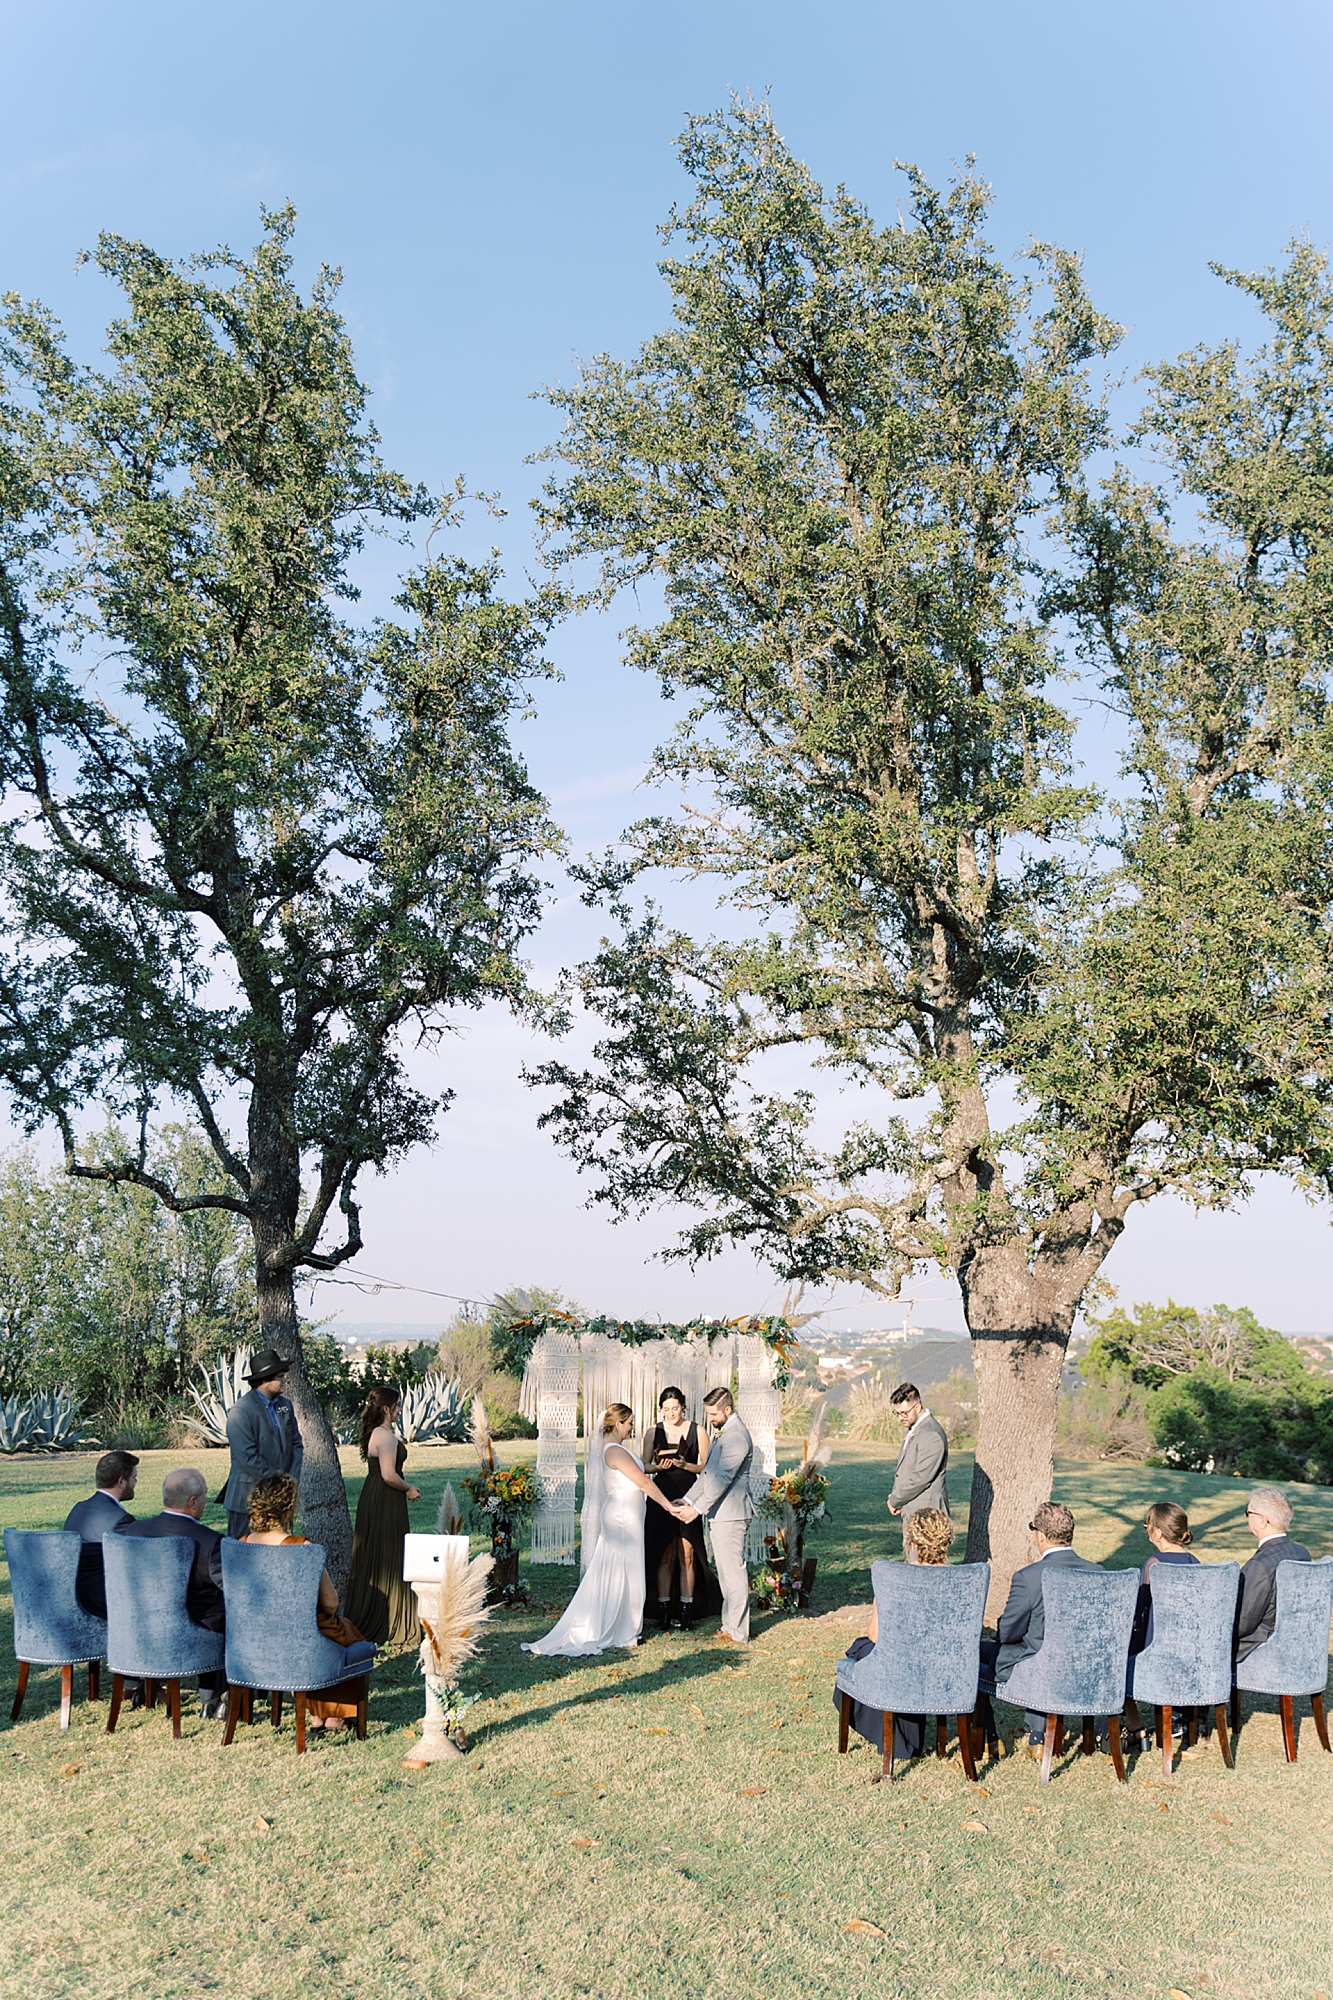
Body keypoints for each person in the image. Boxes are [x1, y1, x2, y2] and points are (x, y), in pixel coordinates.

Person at [522, 1404, 684, 1657]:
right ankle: (622, 1631)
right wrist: (668, 1506)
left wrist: (658, 1468)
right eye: (630, 1423)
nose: (632, 1428)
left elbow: (641, 1471)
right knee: (626, 1569)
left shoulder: (617, 1450)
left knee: (624, 1569)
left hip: (627, 1516)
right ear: (618, 1424)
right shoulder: (614, 1451)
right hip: (622, 1517)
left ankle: (624, 1627)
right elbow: (641, 1482)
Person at [242, 1472, 373, 1731]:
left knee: (328, 1632)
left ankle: (317, 1715)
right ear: (288, 1510)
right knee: (343, 1633)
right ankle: (333, 1716)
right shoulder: (302, 1548)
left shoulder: (241, 1545)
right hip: (301, 1636)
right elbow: (330, 1602)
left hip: (258, 1637)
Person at [977, 1500, 1102, 1758]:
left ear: (1041, 1535)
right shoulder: (1098, 1572)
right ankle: (1036, 1735)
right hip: (1085, 1665)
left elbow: (1010, 1631)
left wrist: (1004, 1634)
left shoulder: (1029, 1577)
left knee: (973, 1654)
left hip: (1038, 1664)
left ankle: (989, 1738)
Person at [833, 1506, 954, 1762]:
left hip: (902, 1665)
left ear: (911, 1541)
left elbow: (875, 1633)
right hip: (948, 1668)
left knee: (863, 1649)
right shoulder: (966, 1578)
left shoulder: (892, 1576)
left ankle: (899, 1741)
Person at [116, 1467, 228, 1718]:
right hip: (188, 1630)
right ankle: (212, 1700)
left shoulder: (133, 1531)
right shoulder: (209, 1541)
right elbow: (231, 1589)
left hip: (138, 1626)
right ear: (193, 1502)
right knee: (225, 1612)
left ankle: (145, 1686)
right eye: (205, 1496)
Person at [675, 1387, 755, 1644]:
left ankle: (738, 1631)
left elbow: (723, 1478)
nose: (710, 1418)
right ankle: (729, 1624)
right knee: (725, 1572)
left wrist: (696, 1510)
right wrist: (687, 1499)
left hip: (732, 1515)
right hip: (719, 1515)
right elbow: (707, 1473)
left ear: (727, 1410)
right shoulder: (724, 1433)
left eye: (713, 1414)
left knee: (734, 1572)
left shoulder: (737, 1437)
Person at [345, 1386, 421, 1646]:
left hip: (374, 1496)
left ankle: (378, 1613)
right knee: (389, 1553)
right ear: (387, 1409)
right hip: (385, 1498)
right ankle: (392, 1622)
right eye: (397, 1405)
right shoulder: (385, 1436)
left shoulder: (375, 1433)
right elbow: (389, 1475)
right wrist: (409, 1488)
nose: (400, 1410)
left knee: (376, 1553)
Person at [643, 1385, 721, 1631]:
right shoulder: (652, 1431)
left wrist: (685, 1465)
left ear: (683, 1407)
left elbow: (707, 1468)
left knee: (687, 1554)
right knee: (663, 1555)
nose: (670, 1413)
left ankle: (687, 1612)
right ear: (661, 1409)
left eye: (675, 1408)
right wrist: (660, 1467)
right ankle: (664, 1612)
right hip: (661, 1496)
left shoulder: (698, 1431)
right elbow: (644, 1465)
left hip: (690, 1496)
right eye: (666, 1409)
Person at [1123, 1501, 1201, 1743]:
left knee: (1120, 1658)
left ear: (1157, 1532)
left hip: (1159, 1646)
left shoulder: (1155, 1563)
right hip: (1190, 1648)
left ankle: (1136, 1728)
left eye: (1148, 1525)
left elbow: (1139, 1608)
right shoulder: (1195, 1562)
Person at [220, 1349, 304, 1540]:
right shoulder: (241, 1411)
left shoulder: (286, 1405)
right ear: (265, 1379)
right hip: (246, 1498)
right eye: (280, 1376)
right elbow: (247, 1457)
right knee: (244, 1555)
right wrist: (279, 1483)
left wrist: (290, 1481)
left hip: (282, 1499)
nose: (285, 1380)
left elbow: (297, 1444)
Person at [1235, 1485, 1311, 1662]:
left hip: (1260, 1646)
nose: (1247, 1518)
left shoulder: (1260, 1565)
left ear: (1262, 1520)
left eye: (1248, 1512)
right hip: (1295, 1641)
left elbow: (1243, 1623)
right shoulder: (1302, 1553)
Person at [64, 1449, 139, 1617]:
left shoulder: (78, 1509)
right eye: (134, 1478)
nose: (135, 1483)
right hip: (102, 1606)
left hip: (72, 1598)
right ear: (121, 1482)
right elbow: (133, 1566)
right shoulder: (120, 1519)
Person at [886, 1383, 949, 1551]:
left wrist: (895, 1500)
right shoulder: (916, 1429)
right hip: (913, 1510)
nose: (901, 1418)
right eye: (897, 1413)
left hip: (927, 1517)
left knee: (923, 1567)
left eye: (904, 1413)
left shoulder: (931, 1435)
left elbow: (921, 1478)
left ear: (918, 1406)